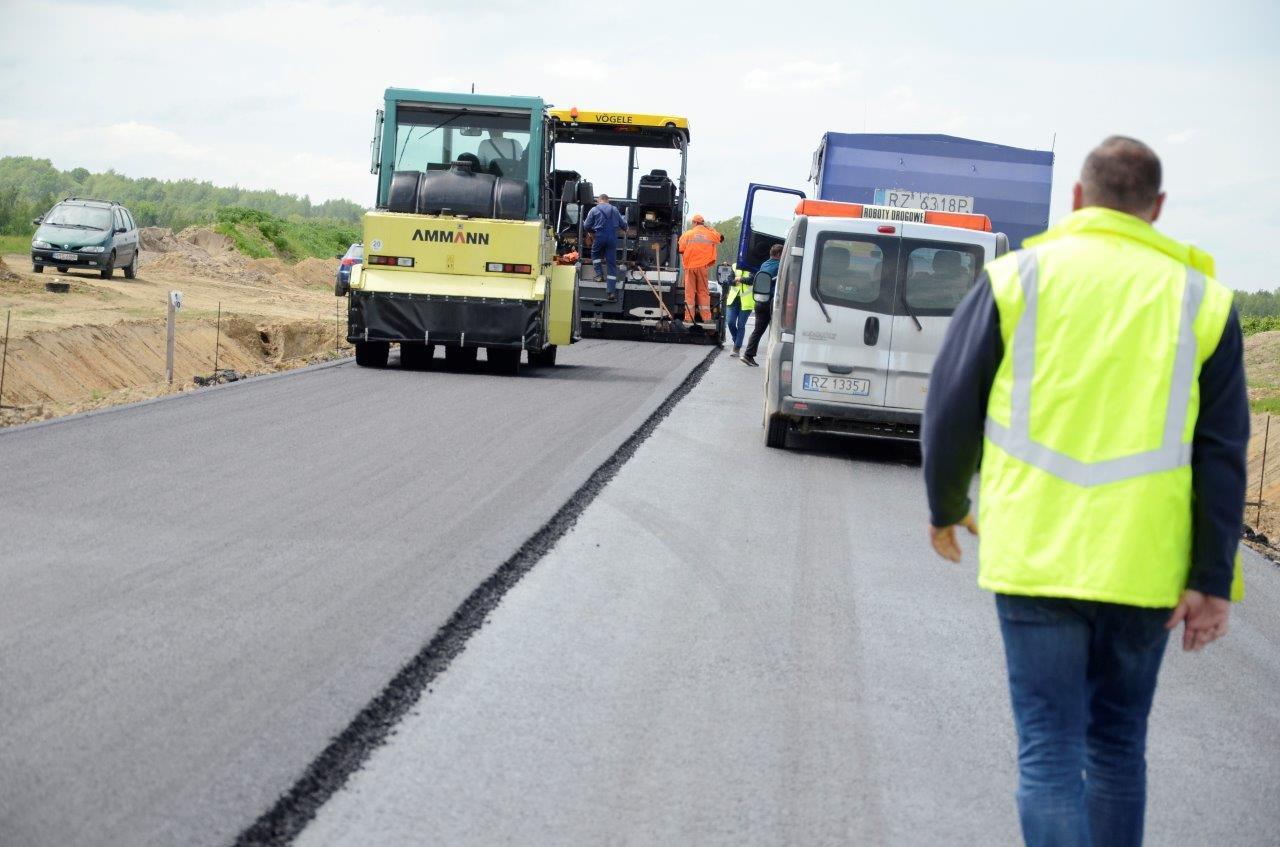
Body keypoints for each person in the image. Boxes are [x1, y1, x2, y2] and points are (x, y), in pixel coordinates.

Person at [922, 136, 1248, 847]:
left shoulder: (1016, 279)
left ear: (1077, 197)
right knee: (1117, 750)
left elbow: (951, 406)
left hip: (1036, 555)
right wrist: (1211, 580)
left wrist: (947, 506)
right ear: (1155, 209)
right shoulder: (1205, 302)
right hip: (1145, 566)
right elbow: (1224, 455)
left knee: (1049, 752)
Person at [741, 243, 783, 366]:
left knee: (757, 331)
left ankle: (748, 355)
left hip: (760, 301)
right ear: (779, 254)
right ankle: (775, 360)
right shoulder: (781, 265)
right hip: (771, 302)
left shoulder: (764, 264)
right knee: (777, 331)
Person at [677, 214, 723, 325]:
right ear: (703, 223)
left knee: (689, 294)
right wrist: (710, 228)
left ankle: (688, 318)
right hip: (703, 267)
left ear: (694, 223)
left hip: (690, 267)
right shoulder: (710, 234)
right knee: (703, 292)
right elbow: (720, 238)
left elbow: (681, 249)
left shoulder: (687, 234)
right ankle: (706, 318)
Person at [581, 194, 628, 301]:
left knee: (595, 253)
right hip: (612, 238)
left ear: (599, 200)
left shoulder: (594, 210)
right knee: (611, 263)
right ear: (608, 201)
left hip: (599, 236)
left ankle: (599, 275)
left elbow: (586, 226)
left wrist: (593, 232)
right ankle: (611, 292)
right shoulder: (615, 210)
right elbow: (623, 225)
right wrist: (625, 228)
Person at [723, 265, 755, 357]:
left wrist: (739, 279)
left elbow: (751, 280)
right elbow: (730, 280)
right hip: (733, 300)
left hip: (746, 301)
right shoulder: (734, 266)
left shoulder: (754, 266)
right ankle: (737, 340)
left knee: (741, 325)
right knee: (730, 322)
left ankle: (736, 348)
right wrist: (736, 280)